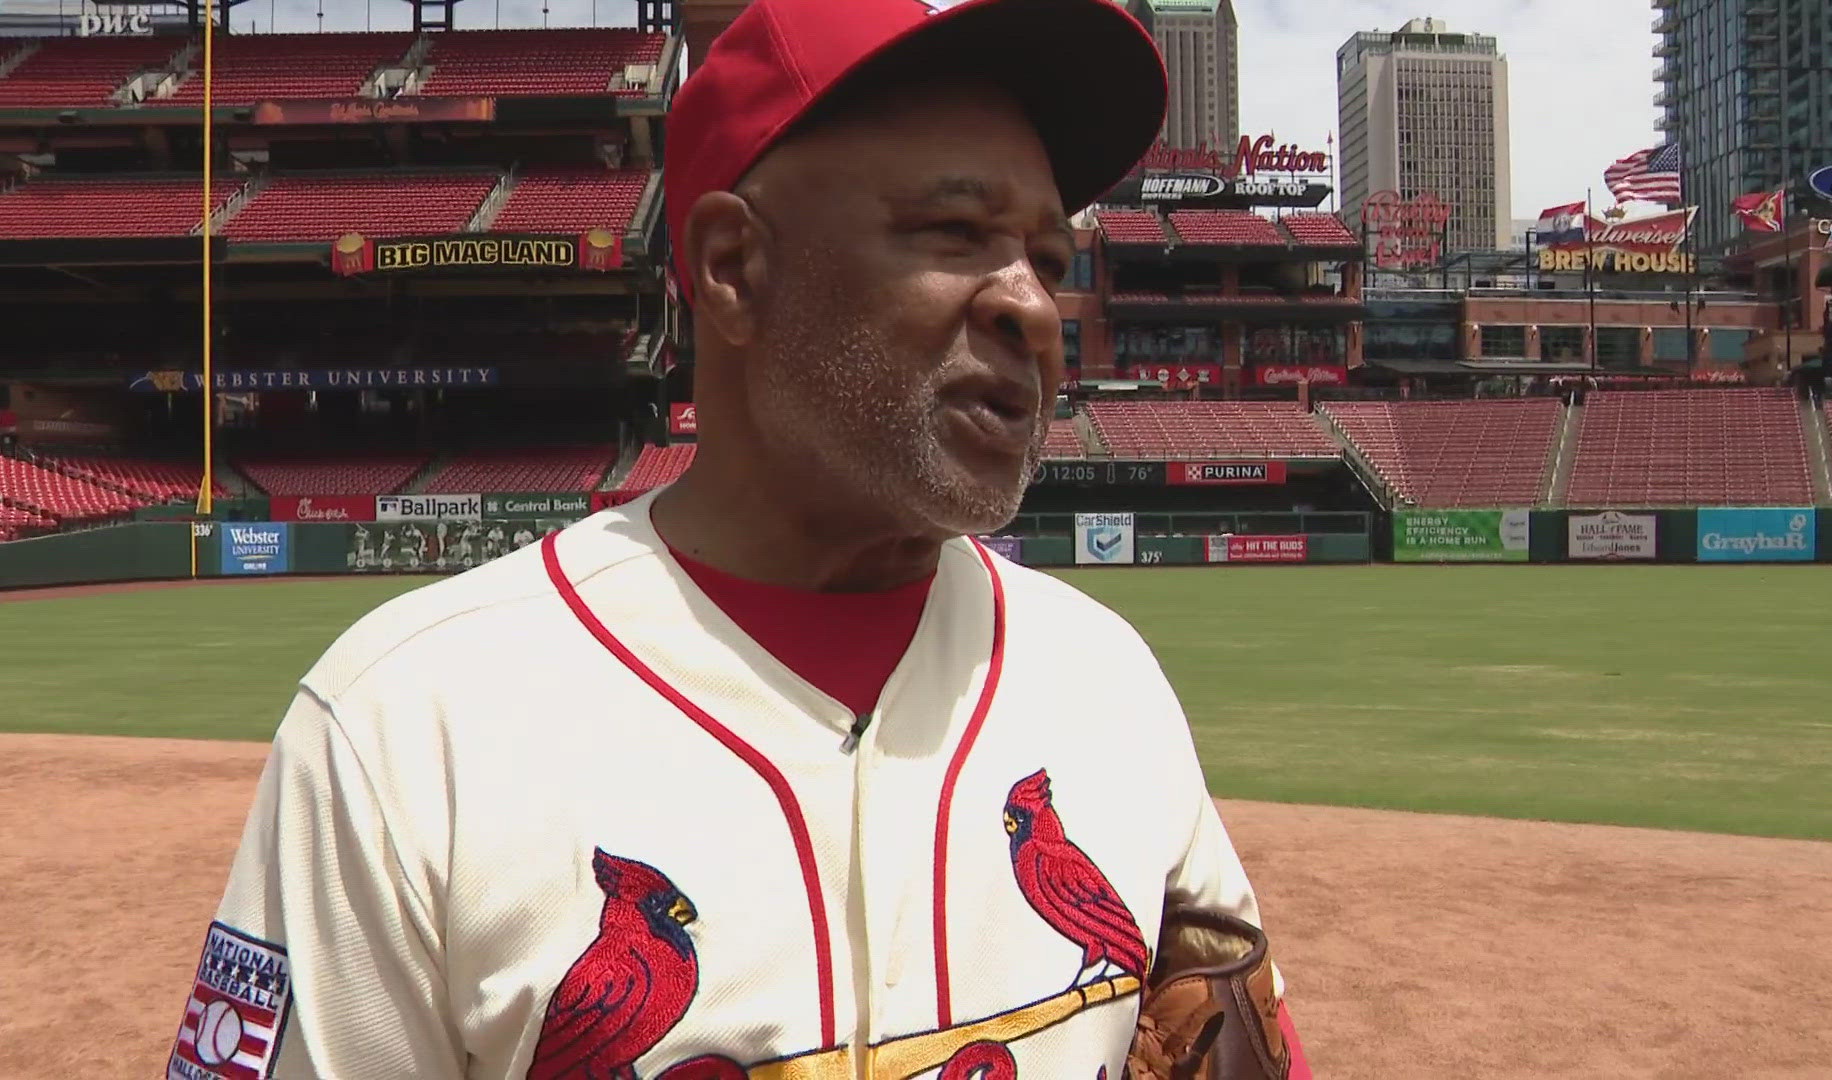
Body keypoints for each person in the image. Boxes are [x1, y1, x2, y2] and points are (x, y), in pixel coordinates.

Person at [169, 1, 1296, 1077]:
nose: (1033, 308)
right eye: (955, 232)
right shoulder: (409, 728)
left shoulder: (1108, 682)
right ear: (730, 267)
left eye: (1048, 260)